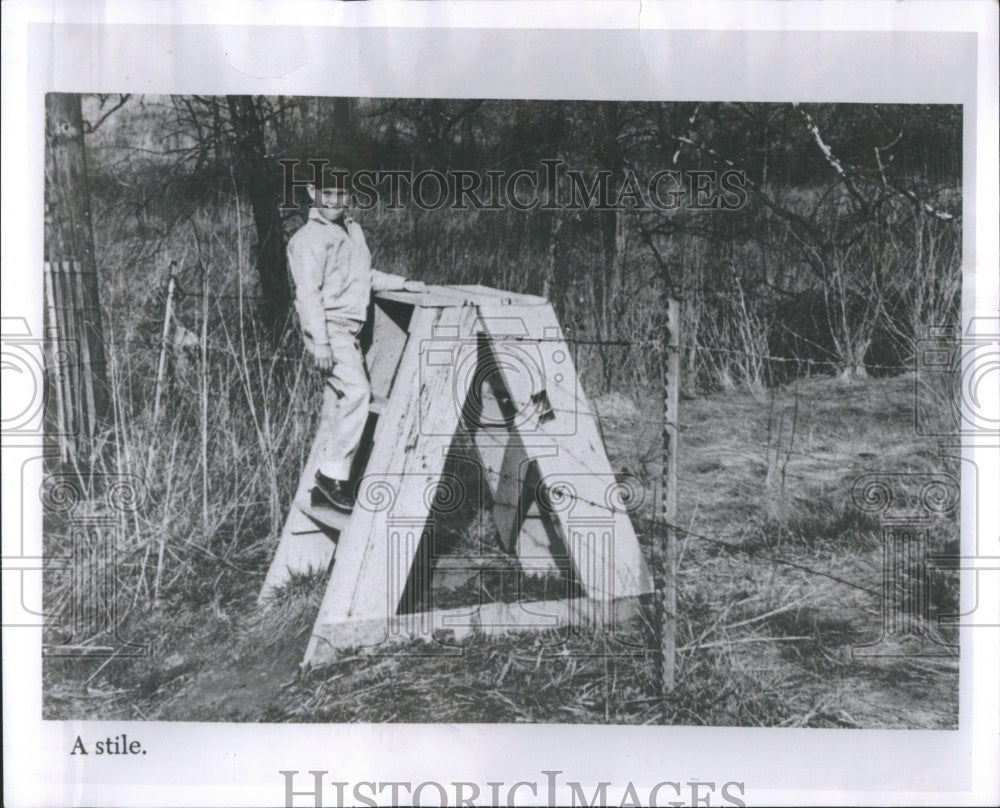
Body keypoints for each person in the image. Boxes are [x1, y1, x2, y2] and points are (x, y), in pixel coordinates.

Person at [287, 165, 426, 512]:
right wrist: (319, 342)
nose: (335, 200)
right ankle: (333, 477)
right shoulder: (308, 240)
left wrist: (404, 284)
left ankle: (324, 480)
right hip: (330, 330)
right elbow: (307, 295)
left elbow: (365, 277)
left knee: (339, 401)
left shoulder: (352, 230)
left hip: (351, 332)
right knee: (359, 394)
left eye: (342, 193)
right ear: (311, 193)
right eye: (327, 193)